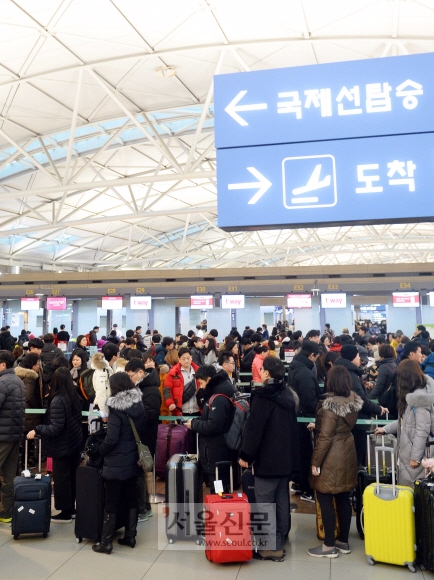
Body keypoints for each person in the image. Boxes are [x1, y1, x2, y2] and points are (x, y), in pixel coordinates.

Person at [239, 357, 299, 562]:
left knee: (264, 502)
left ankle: (271, 547)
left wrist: (246, 455)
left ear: (266, 374)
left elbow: (254, 430)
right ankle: (281, 537)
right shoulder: (288, 395)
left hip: (267, 459)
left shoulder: (263, 396)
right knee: (282, 498)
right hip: (286, 458)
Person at [308, 366, 363, 558]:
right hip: (347, 451)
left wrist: (315, 463)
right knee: (343, 497)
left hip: (331, 456)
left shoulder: (330, 405)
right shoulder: (352, 401)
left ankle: (328, 545)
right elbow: (338, 427)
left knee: (324, 496)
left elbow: (325, 437)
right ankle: (343, 542)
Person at [92, 373, 146, 554]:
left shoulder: (115, 407)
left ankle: (105, 542)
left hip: (116, 461)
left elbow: (112, 438)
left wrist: (100, 451)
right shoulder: (139, 403)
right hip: (134, 459)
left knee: (111, 501)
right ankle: (131, 536)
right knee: (132, 497)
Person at [27, 367, 83, 523]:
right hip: (74, 443)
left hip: (62, 445)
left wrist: (38, 429)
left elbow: (56, 427)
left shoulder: (58, 400)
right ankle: (71, 508)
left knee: (62, 479)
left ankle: (65, 512)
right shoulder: (74, 397)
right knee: (71, 477)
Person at [376, 360, 434, 488]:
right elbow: (405, 420)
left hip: (417, 455)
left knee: (415, 494)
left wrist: (415, 458)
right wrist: (385, 429)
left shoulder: (419, 399)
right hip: (412, 451)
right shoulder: (417, 395)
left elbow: (422, 430)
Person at [334, 345, 387, 466]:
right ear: (352, 357)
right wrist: (378, 409)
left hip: (347, 421)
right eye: (358, 356)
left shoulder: (340, 372)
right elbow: (361, 400)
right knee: (356, 459)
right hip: (357, 422)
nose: (360, 359)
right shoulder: (351, 375)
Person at [187, 365, 234, 492]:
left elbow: (213, 426)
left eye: (201, 383)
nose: (201, 386)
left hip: (216, 452)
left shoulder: (218, 398)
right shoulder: (219, 394)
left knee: (218, 490)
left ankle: (219, 511)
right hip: (216, 451)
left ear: (208, 379)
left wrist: (194, 424)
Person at [126, 358, 160, 521]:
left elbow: (151, 415)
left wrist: (131, 411)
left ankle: (142, 510)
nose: (130, 379)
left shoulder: (151, 390)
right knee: (138, 474)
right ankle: (144, 507)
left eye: (131, 375)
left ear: (141, 372)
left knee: (139, 474)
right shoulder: (140, 387)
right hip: (139, 437)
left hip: (144, 438)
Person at [288, 341, 321, 502]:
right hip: (306, 419)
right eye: (316, 357)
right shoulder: (306, 373)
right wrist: (317, 415)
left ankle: (298, 483)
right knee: (307, 453)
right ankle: (307, 488)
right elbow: (309, 399)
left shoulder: (294, 368)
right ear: (311, 355)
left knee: (299, 452)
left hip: (297, 417)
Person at [0, 351, 26, 523]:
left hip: (2, 435)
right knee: (8, 474)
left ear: (2, 365)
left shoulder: (2, 382)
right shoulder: (19, 381)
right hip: (15, 434)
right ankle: (6, 512)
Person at [164, 348, 200, 418]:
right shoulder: (173, 373)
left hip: (197, 409)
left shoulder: (199, 372)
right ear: (179, 359)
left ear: (191, 357)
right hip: (181, 410)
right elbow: (167, 389)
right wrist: (170, 403)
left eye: (188, 358)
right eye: (183, 359)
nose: (186, 361)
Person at [15, 352, 43, 434]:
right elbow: (29, 396)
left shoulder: (18, 374)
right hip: (30, 414)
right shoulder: (30, 377)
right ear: (32, 365)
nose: (39, 367)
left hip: (20, 411)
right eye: (37, 364)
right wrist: (37, 408)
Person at [92, 344, 119, 420]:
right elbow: (101, 393)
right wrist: (104, 413)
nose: (119, 355)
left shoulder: (111, 367)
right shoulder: (102, 371)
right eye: (118, 353)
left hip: (109, 405)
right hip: (102, 408)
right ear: (114, 356)